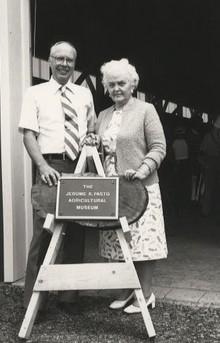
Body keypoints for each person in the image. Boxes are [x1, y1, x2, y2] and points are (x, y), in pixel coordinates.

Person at [19, 41, 96, 314]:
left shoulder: (84, 94)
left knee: (76, 232)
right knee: (43, 234)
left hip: (79, 166)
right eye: (59, 58)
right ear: (50, 61)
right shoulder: (35, 92)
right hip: (50, 166)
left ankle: (69, 297)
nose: (64, 64)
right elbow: (28, 134)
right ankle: (33, 303)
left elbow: (93, 126)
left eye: (70, 60)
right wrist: (41, 165)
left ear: (75, 64)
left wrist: (92, 136)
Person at [94, 58, 168, 313]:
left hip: (141, 187)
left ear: (133, 84)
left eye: (121, 83)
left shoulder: (146, 110)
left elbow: (159, 146)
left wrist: (142, 170)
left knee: (143, 242)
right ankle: (126, 291)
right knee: (117, 241)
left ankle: (145, 295)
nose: (116, 88)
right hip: (111, 188)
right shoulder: (103, 115)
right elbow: (98, 146)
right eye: (111, 84)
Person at [199, 115, 220, 217]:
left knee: (208, 189)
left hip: (209, 164)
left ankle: (206, 211)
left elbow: (202, 151)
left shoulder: (207, 136)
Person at [171, 124, 191, 216]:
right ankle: (179, 208)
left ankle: (180, 208)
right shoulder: (184, 142)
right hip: (180, 165)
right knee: (180, 187)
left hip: (181, 165)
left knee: (181, 187)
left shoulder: (175, 142)